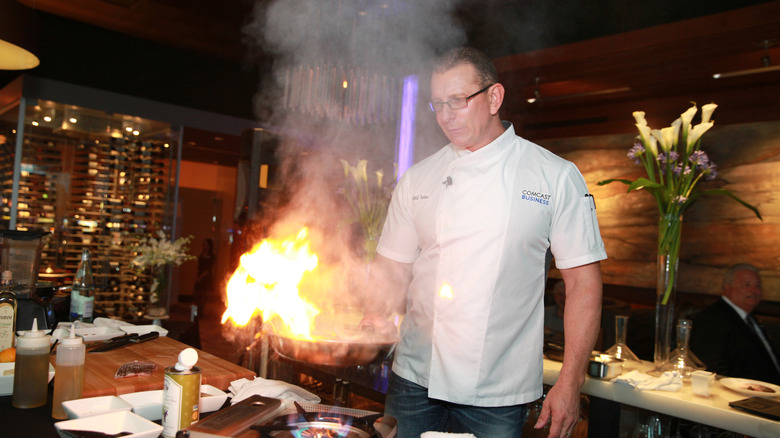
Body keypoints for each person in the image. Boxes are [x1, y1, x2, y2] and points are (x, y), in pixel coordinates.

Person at [365, 47, 607, 438]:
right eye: (438, 104)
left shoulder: (554, 176)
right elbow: (392, 267)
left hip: (497, 391)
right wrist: (373, 316)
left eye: (457, 101)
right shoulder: (418, 178)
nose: (445, 116)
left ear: (494, 97)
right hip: (413, 378)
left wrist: (571, 380)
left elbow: (583, 283)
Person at [690, 264, 780, 385]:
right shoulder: (713, 318)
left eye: (757, 286)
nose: (754, 291)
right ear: (727, 288)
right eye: (746, 285)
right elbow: (714, 370)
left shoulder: (749, 319)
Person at [194, 238, 215, 317]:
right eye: (204, 245)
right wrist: (197, 276)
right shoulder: (201, 255)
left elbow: (209, 269)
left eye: (206, 245)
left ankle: (200, 313)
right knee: (196, 294)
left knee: (203, 296)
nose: (205, 247)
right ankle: (196, 312)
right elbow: (198, 267)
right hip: (199, 276)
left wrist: (201, 277)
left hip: (205, 278)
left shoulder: (211, 256)